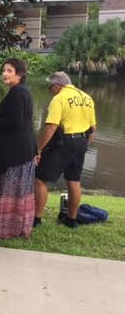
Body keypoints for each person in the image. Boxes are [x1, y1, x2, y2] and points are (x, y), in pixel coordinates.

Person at [0, 58, 37, 239]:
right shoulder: (22, 91)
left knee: (6, 190)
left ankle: (3, 230)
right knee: (16, 192)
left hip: (13, 154)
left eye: (9, 70)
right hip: (21, 150)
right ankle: (15, 228)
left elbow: (15, 122)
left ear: (19, 74)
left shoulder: (17, 93)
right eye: (4, 70)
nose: (4, 73)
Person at [34, 71, 97, 228]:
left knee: (40, 179)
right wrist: (84, 145)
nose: (50, 91)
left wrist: (38, 149)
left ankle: (36, 218)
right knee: (74, 180)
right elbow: (93, 128)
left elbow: (51, 126)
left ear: (57, 86)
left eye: (50, 88)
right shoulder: (87, 97)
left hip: (64, 141)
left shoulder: (59, 98)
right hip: (82, 141)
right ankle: (71, 219)